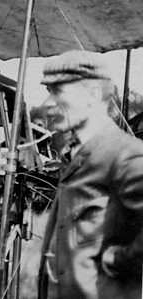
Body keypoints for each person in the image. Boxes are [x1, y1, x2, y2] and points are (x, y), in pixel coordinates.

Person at [37, 50, 143, 299]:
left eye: (57, 91)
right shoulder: (75, 154)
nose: (47, 104)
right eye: (48, 92)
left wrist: (119, 261)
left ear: (93, 94)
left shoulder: (125, 154)